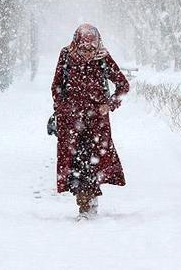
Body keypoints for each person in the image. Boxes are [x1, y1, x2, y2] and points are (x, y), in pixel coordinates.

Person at [51, 23, 130, 219]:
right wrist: (62, 108)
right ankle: (84, 201)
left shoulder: (103, 58)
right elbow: (56, 86)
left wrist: (109, 104)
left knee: (92, 162)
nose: (88, 53)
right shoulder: (66, 56)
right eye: (84, 48)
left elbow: (123, 85)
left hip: (97, 123)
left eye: (91, 48)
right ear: (77, 43)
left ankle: (87, 203)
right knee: (75, 163)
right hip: (71, 122)